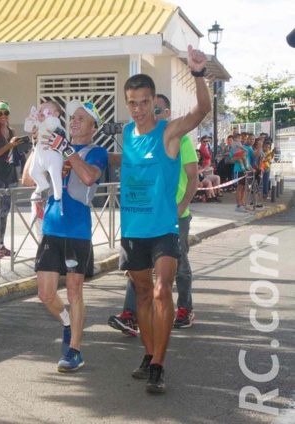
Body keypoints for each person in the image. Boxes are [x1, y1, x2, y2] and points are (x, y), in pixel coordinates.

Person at [119, 45, 210, 394]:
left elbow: (202, 110)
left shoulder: (169, 133)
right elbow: (125, 161)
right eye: (132, 102)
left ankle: (159, 362)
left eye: (144, 102)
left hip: (163, 228)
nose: (139, 109)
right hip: (132, 229)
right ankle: (148, 354)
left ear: (153, 102)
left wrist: (198, 73)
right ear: (127, 103)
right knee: (142, 292)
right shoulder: (128, 134)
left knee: (160, 291)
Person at [22, 99, 107, 372]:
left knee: (74, 291)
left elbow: (89, 178)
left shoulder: (97, 151)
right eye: (72, 117)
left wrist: (67, 149)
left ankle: (75, 351)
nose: (74, 122)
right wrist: (37, 143)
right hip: (51, 228)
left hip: (77, 231)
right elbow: (27, 179)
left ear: (94, 126)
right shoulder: (55, 144)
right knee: (45, 295)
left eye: (81, 118)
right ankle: (69, 325)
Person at [107, 94, 199, 339]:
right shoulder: (137, 137)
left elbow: (193, 176)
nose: (152, 113)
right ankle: (131, 313)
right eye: (149, 107)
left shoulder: (181, 139)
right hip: (146, 216)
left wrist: (182, 205)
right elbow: (128, 161)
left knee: (179, 265)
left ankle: (185, 308)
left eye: (157, 108)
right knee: (139, 269)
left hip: (174, 214)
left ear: (167, 112)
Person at [0, 101, 24, 259]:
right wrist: (9, 145)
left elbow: (14, 152)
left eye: (5, 113)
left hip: (10, 174)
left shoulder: (12, 131)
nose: (3, 116)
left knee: (5, 211)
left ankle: (0, 245)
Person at [231, 132, 257, 212]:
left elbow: (251, 157)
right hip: (238, 170)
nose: (242, 139)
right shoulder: (234, 147)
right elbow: (232, 160)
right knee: (239, 187)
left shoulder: (248, 148)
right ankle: (238, 205)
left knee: (244, 188)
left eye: (245, 138)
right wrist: (241, 156)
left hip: (246, 170)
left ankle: (243, 204)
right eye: (241, 138)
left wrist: (251, 168)